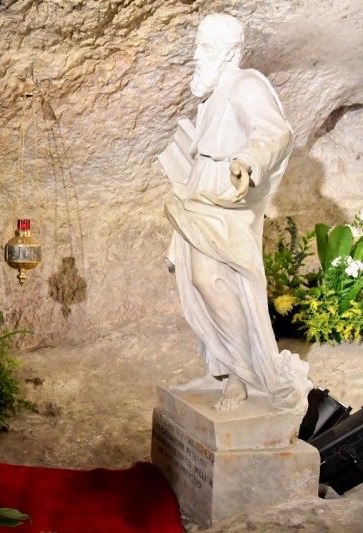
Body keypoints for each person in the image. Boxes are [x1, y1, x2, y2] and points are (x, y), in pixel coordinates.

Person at [163, 14, 311, 411]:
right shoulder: (213, 93)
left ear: (230, 54)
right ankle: (228, 371)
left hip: (226, 197)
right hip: (201, 192)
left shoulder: (246, 84)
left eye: (206, 48)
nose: (196, 55)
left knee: (211, 279)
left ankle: (244, 374)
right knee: (198, 284)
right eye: (197, 46)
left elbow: (275, 132)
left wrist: (247, 160)